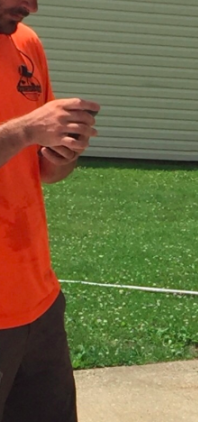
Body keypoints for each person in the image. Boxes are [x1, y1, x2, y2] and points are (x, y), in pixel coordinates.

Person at [0, 1, 100, 421]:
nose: (32, 6)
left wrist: (62, 153)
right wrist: (25, 129)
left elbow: (42, 171)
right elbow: (23, 132)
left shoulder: (26, 43)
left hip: (38, 300)